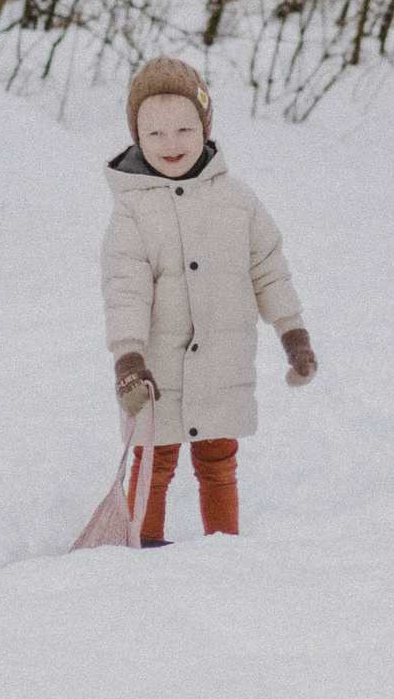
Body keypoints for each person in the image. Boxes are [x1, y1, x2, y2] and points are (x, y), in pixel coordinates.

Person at [101, 57, 316, 544]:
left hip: (222, 363)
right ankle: (143, 545)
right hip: (157, 369)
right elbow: (124, 289)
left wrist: (293, 333)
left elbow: (268, 267)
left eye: (183, 129)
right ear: (137, 138)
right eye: (155, 134)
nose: (171, 144)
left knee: (219, 462)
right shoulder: (132, 213)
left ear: (205, 126)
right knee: (154, 461)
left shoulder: (238, 200)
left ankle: (225, 553)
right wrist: (128, 357)